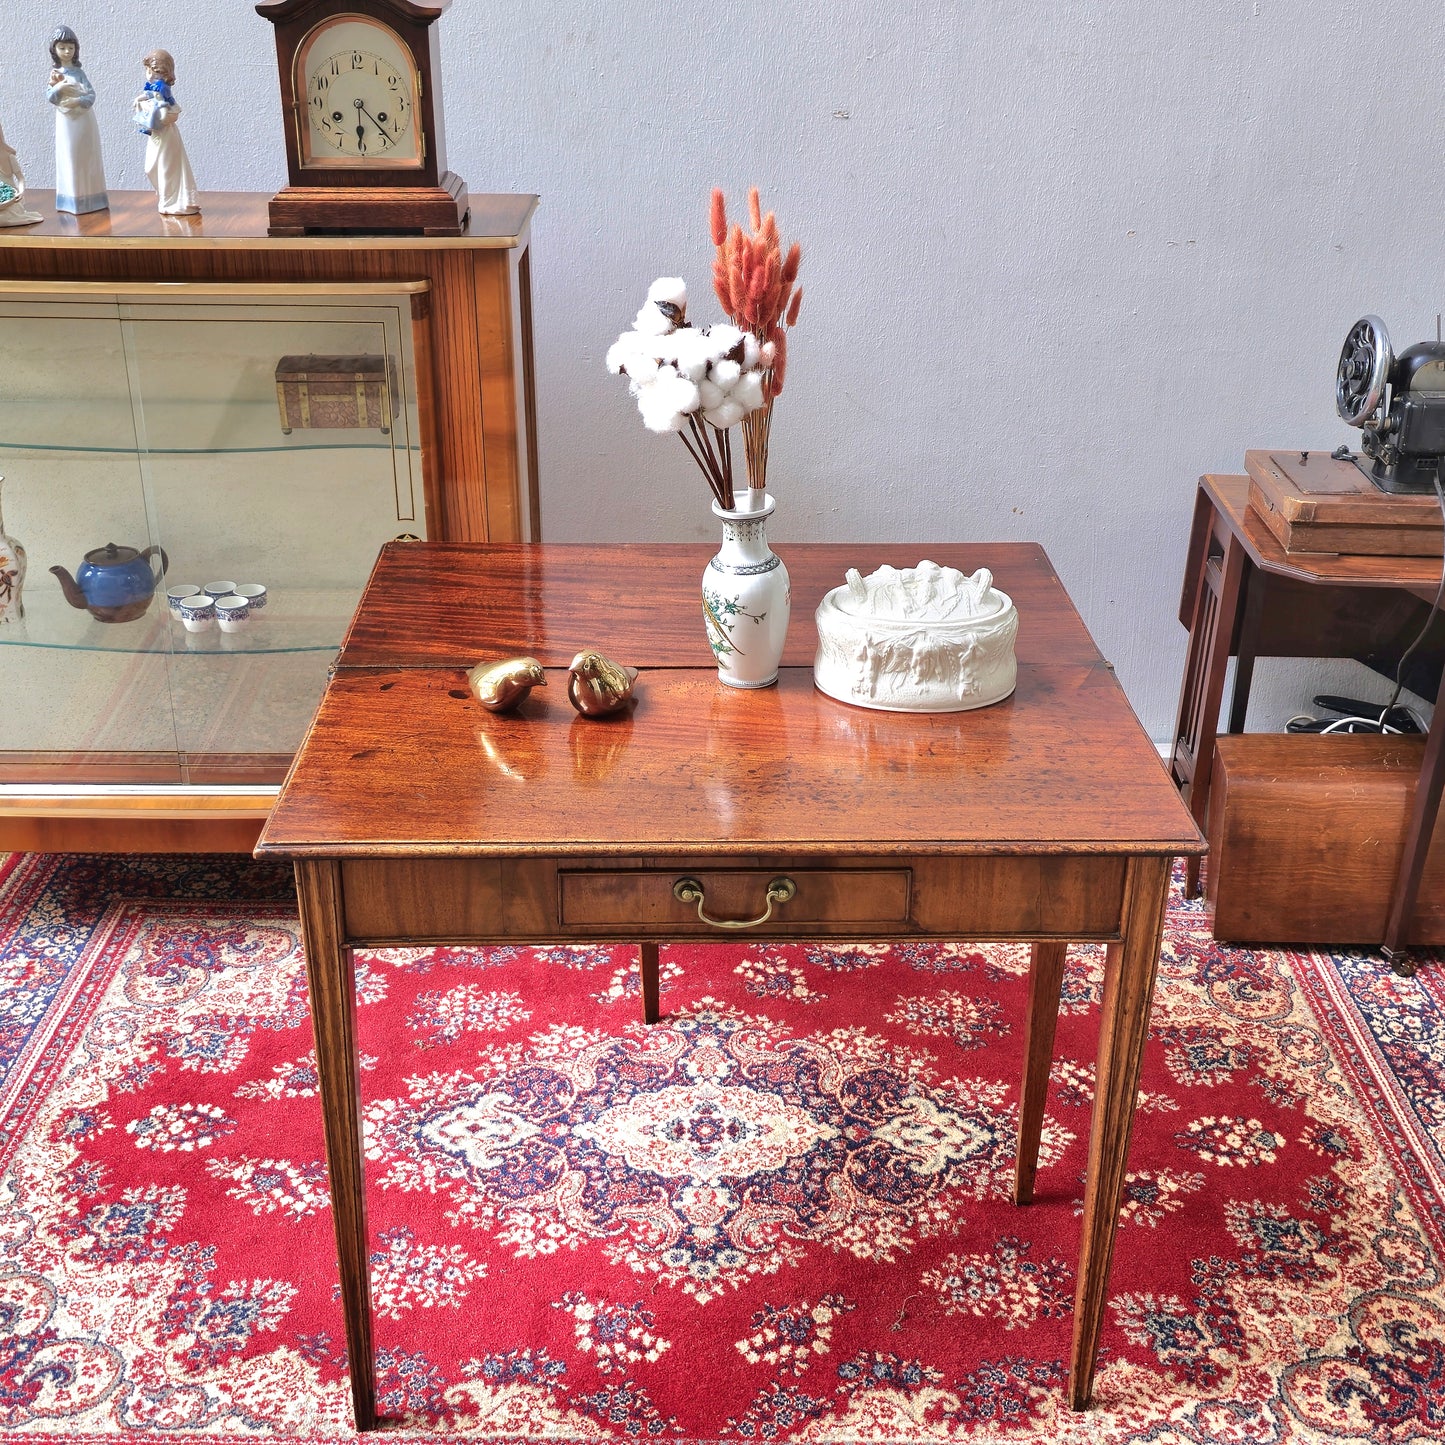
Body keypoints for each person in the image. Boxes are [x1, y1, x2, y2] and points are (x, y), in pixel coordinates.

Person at [46, 25, 108, 215]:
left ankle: (92, 198)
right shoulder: (55, 75)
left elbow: (91, 96)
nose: (67, 51)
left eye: (70, 48)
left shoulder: (79, 73)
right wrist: (59, 88)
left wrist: (77, 100)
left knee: (87, 155)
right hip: (66, 121)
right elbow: (51, 96)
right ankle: (71, 199)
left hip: (83, 119)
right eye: (62, 47)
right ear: (54, 49)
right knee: (69, 156)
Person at [133, 49, 199, 216]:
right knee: (150, 168)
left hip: (166, 135)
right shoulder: (152, 85)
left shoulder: (163, 87)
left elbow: (170, 110)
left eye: (154, 72)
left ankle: (171, 201)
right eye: (148, 70)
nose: (149, 75)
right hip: (156, 134)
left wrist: (157, 107)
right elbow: (148, 95)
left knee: (166, 169)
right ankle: (166, 198)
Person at [0, 116, 43, 226]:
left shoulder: (9, 156)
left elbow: (20, 178)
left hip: (12, 199)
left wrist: (21, 192)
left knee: (4, 218)